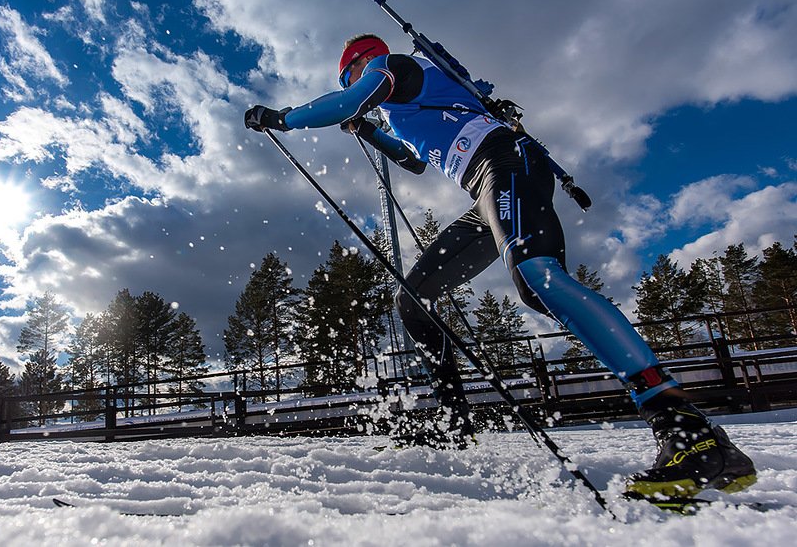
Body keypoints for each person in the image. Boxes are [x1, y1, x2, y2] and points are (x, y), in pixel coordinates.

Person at [244, 33, 757, 499]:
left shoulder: (393, 65)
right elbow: (414, 160)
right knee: (413, 297)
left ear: (358, 65)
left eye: (349, 77)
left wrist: (283, 118)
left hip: (505, 163)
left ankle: (683, 426)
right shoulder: (405, 103)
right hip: (483, 186)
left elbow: (350, 100)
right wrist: (369, 131)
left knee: (538, 279)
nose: (356, 85)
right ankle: (452, 419)